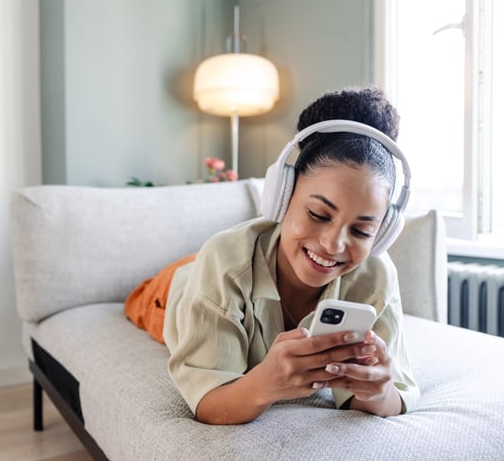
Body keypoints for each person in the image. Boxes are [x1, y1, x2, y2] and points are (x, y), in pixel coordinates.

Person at [125, 86, 419, 425]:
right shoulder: (224, 259)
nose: (333, 245)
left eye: (361, 231)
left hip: (223, 269)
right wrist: (265, 384)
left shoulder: (376, 275)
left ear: (382, 234)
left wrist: (377, 391)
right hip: (175, 290)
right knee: (139, 297)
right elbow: (209, 402)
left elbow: (389, 396)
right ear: (282, 195)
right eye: (319, 215)